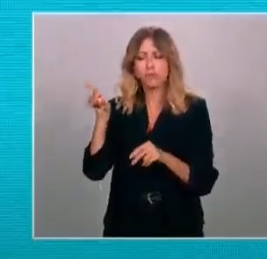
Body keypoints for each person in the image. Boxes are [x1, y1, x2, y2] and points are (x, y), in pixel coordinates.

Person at [82, 26, 219, 237]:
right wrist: (101, 120)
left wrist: (162, 156)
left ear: (170, 63)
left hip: (179, 232)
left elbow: (203, 181)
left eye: (157, 56)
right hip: (125, 232)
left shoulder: (194, 110)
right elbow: (94, 171)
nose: (150, 65)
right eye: (141, 57)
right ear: (133, 67)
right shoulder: (118, 109)